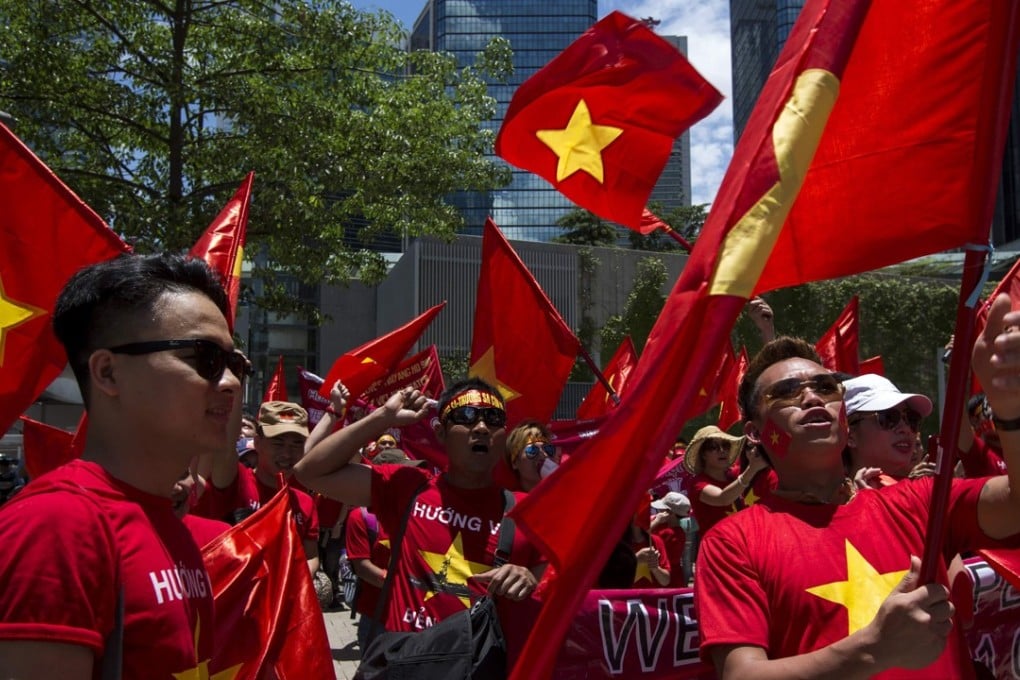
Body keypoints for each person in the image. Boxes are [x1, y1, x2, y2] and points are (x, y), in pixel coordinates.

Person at [695, 296, 1020, 678]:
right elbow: (741, 675)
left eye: (826, 387)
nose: (813, 396)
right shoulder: (731, 542)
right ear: (754, 433)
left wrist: (1011, 415)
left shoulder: (920, 500)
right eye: (785, 392)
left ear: (845, 418)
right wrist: (874, 648)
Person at [0, 253, 246, 678]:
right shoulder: (56, 525)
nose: (230, 382)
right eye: (205, 358)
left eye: (235, 363)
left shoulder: (169, 525)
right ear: (108, 373)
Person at [293, 377, 543, 633]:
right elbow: (309, 472)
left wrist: (530, 580)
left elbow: (558, 593)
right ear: (441, 433)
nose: (481, 427)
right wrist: (383, 417)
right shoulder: (406, 487)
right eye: (466, 416)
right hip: (407, 661)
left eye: (493, 418)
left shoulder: (529, 512)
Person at [196, 400, 321, 574]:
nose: (287, 453)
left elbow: (311, 556)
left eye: (296, 444)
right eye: (278, 443)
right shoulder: (235, 480)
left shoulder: (304, 503)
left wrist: (294, 581)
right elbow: (225, 447)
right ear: (257, 443)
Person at [346, 449, 428, 650]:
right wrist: (405, 586)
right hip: (377, 618)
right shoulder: (361, 517)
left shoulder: (422, 512)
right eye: (405, 474)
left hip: (414, 618)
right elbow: (362, 567)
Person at [843, 374, 934, 485]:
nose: (906, 428)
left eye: (911, 418)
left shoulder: (924, 494)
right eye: (888, 418)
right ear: (850, 434)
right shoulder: (825, 500)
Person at [684, 425, 769, 536]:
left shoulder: (733, 476)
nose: (722, 450)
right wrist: (752, 468)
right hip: (717, 548)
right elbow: (723, 498)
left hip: (742, 544)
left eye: (725, 445)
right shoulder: (698, 483)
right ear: (703, 454)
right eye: (713, 447)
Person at [650, 491, 694, 587]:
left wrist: (656, 522)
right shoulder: (670, 528)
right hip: (671, 577)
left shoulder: (670, 533)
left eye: (662, 509)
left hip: (665, 580)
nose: (659, 511)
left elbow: (643, 536)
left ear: (669, 513)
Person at [505, 420, 558, 492]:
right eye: (532, 450)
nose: (543, 454)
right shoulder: (511, 502)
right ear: (514, 463)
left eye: (548, 449)